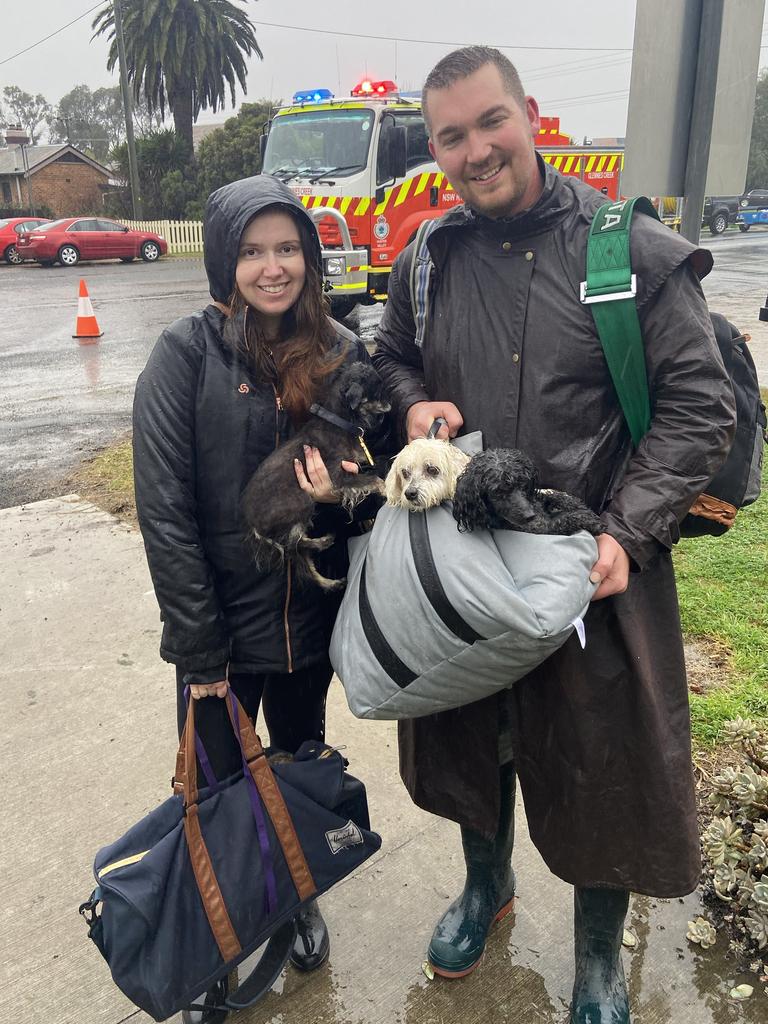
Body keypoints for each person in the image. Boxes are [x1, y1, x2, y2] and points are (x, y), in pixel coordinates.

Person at [372, 46, 736, 1023]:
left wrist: (628, 531)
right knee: (469, 736)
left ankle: (597, 962)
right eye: (451, 135)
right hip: (466, 566)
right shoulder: (426, 256)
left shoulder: (629, 252)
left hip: (597, 569)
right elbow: (392, 361)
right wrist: (414, 406)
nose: (475, 149)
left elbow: (702, 408)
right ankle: (486, 887)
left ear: (530, 113)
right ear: (435, 147)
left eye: (491, 121)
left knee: (599, 763)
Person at [133, 174, 384, 1022]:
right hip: (223, 635)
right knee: (212, 792)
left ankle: (294, 894)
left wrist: (341, 494)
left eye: (288, 250)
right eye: (252, 251)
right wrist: (199, 655)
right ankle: (216, 947)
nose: (272, 269)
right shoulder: (185, 353)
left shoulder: (346, 350)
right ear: (223, 258)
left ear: (311, 260)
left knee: (299, 767)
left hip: (308, 626)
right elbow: (165, 512)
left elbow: (378, 490)